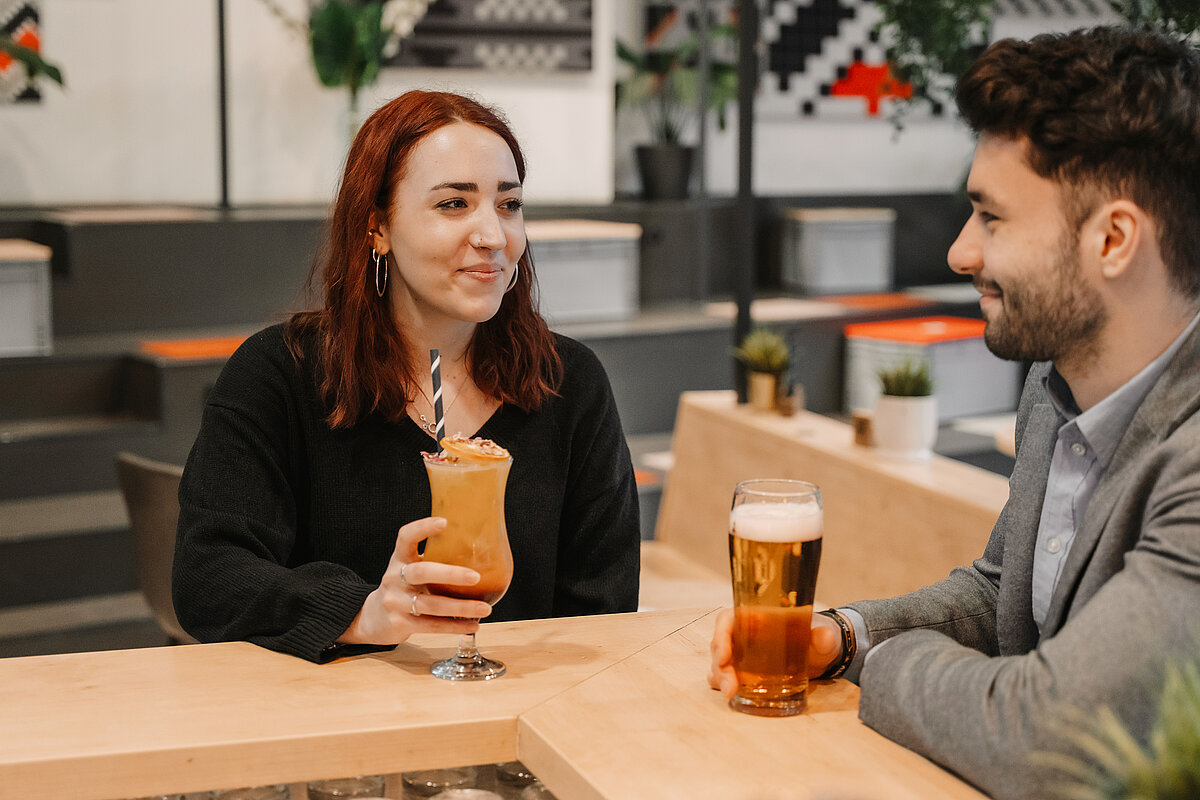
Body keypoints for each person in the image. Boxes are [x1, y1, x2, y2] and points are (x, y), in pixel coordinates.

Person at [710, 26, 1200, 799]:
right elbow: (1003, 598)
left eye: (992, 218)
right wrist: (841, 638)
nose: (960, 253)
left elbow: (1047, 738)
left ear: (1113, 239)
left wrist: (886, 663)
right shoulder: (1056, 387)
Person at [173, 90, 641, 663]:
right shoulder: (281, 374)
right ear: (378, 227)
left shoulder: (569, 383)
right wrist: (361, 612)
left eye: (509, 204)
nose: (493, 235)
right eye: (453, 204)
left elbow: (605, 607)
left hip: (521, 705)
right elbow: (208, 576)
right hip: (335, 709)